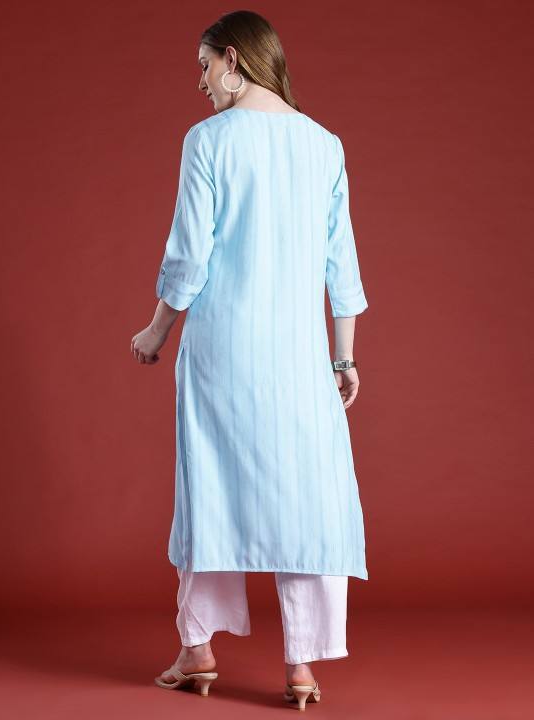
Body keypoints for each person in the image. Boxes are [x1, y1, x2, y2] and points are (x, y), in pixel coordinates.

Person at [130, 10, 369, 711]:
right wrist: (343, 359)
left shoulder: (209, 141)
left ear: (233, 59)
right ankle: (301, 667)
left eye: (204, 67)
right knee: (308, 498)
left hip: (222, 352)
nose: (201, 83)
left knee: (210, 489)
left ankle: (197, 648)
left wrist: (155, 332)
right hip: (299, 357)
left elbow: (189, 256)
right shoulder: (324, 145)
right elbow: (342, 263)